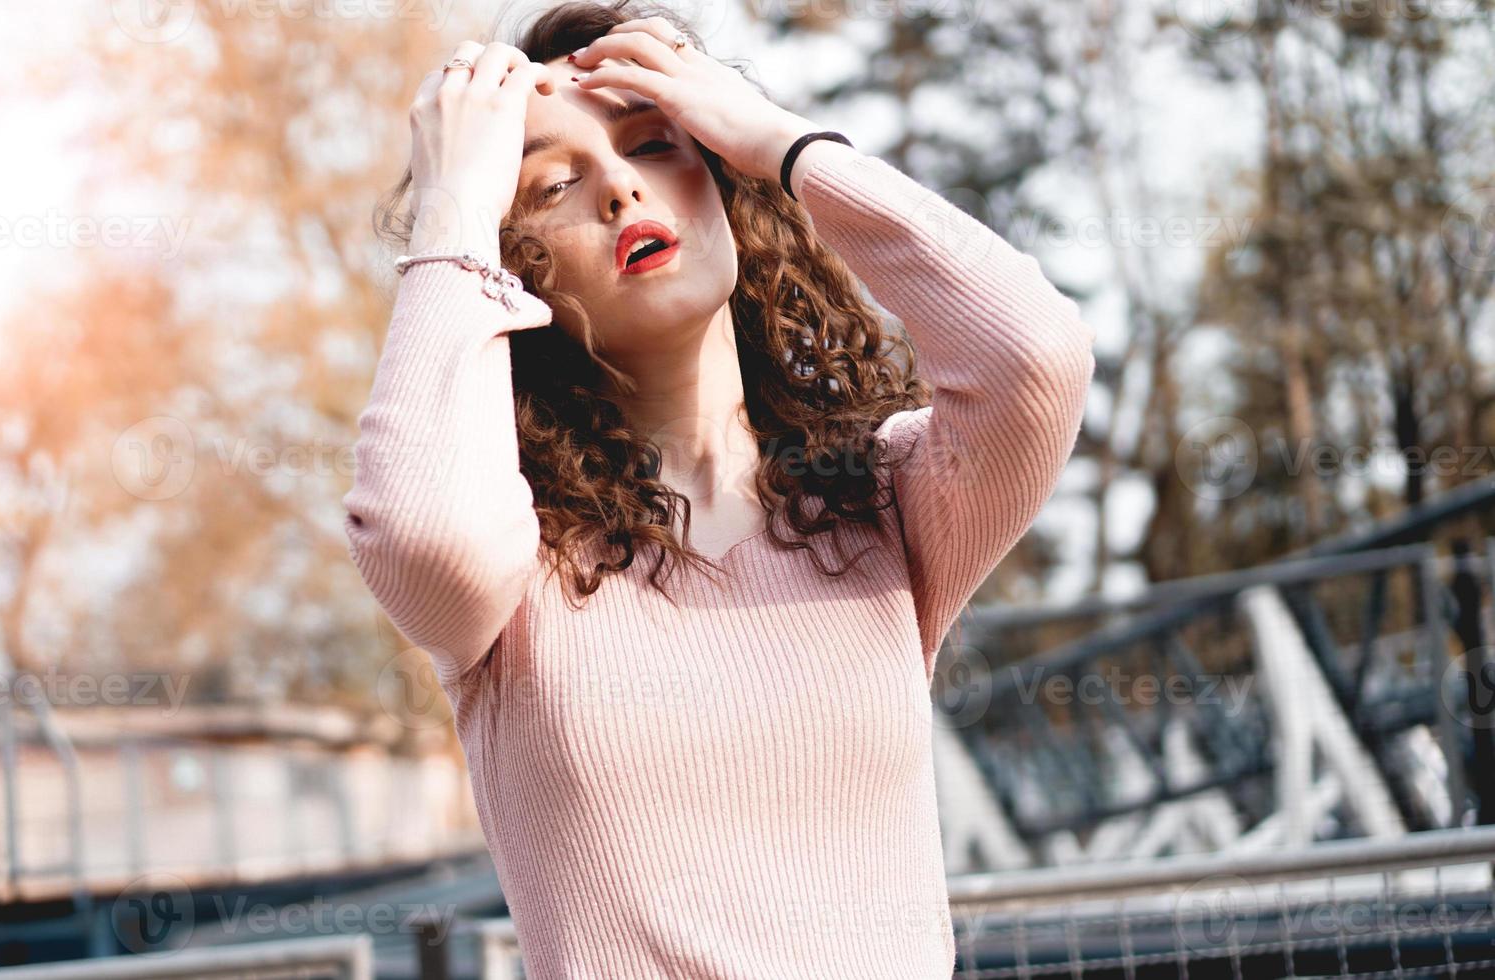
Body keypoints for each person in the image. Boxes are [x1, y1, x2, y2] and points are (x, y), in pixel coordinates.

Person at [346, 2, 1095, 976]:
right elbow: (415, 534)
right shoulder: (512, 559)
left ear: (722, 182)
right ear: (512, 262)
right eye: (554, 184)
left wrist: (776, 137)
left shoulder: (884, 500)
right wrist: (451, 207)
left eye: (655, 145)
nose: (618, 189)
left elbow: (1033, 357)